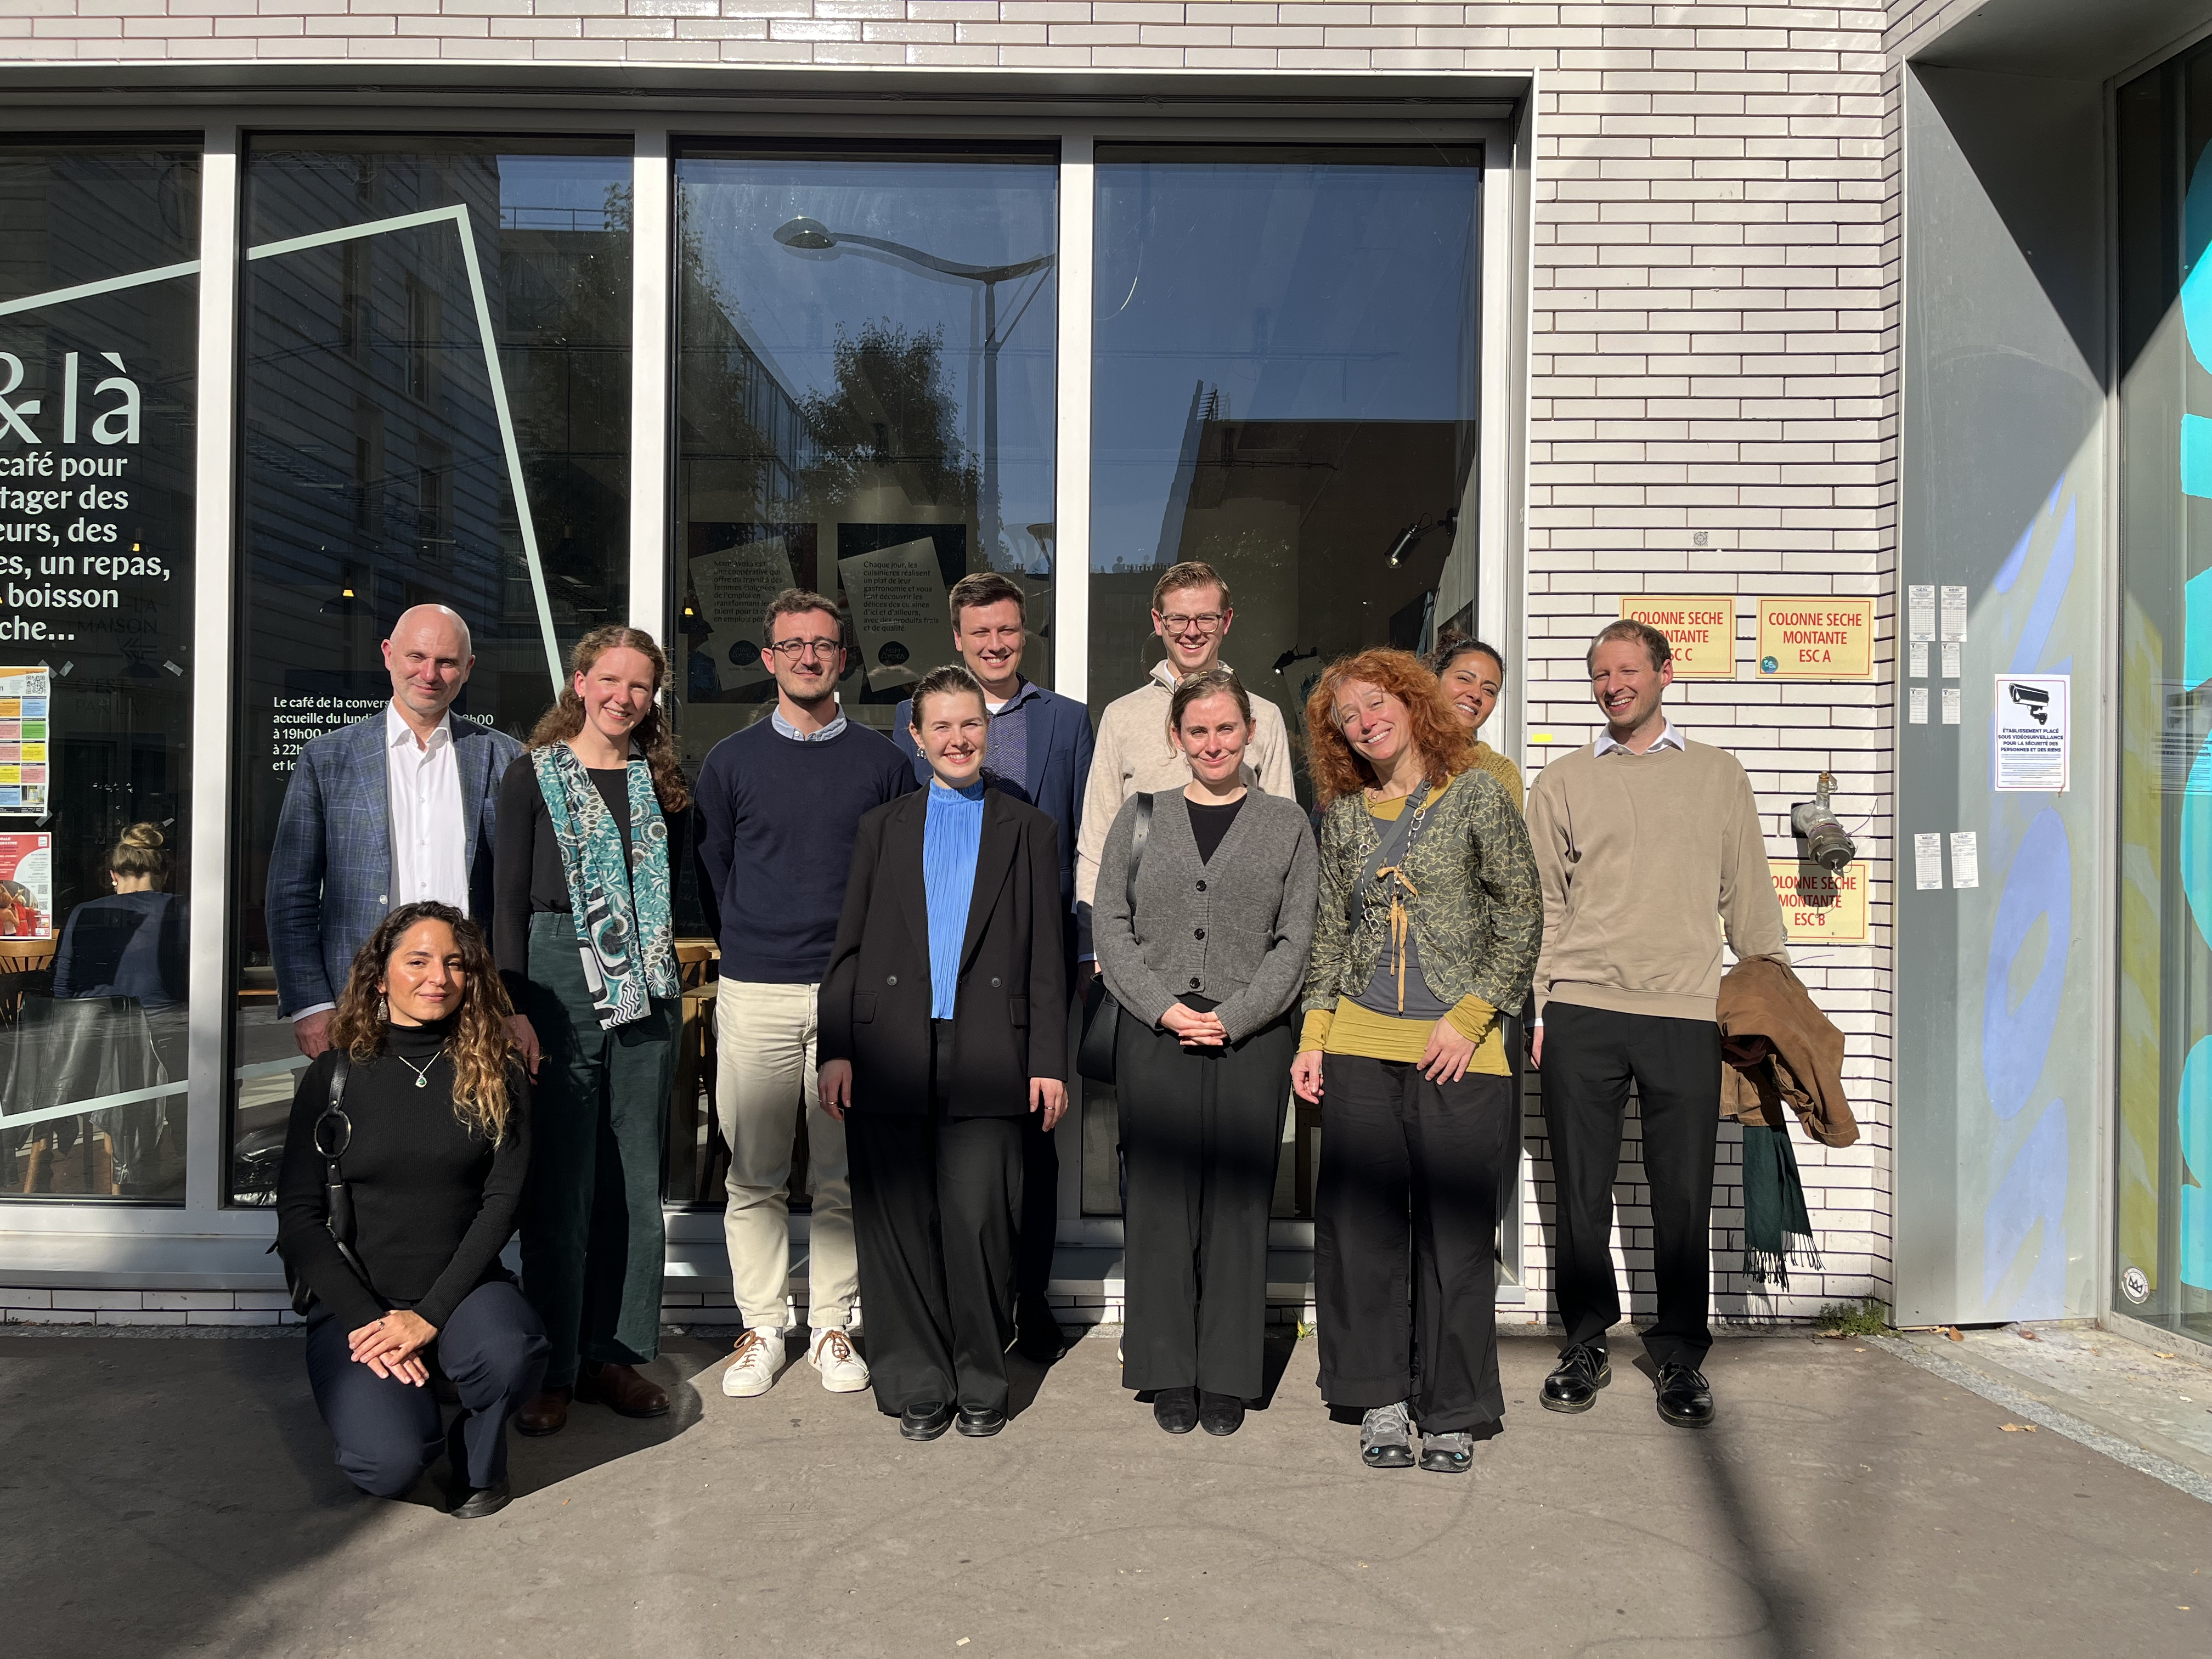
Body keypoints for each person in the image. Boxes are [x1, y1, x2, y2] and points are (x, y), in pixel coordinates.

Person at [1526, 618, 1789, 1430]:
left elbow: (1749, 894)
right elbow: (1544, 903)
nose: (1613, 686)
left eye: (1628, 670)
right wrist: (1541, 1002)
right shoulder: (1563, 781)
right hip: (1582, 1008)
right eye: (1601, 674)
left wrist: (1770, 992)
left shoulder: (1717, 775)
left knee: (1683, 1195)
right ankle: (1584, 1340)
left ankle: (1679, 1354)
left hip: (1683, 1012)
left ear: (1665, 674)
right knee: (1581, 1191)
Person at [1290, 648, 1541, 1475]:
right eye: (1347, 718)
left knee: (1456, 1236)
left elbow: (1522, 916)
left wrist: (1469, 1021)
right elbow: (1330, 928)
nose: (1365, 723)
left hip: (1460, 1051)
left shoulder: (1477, 792)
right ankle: (1381, 1399)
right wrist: (1314, 1034)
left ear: (1411, 699)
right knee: (1362, 1233)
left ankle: (1454, 1407)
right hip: (1362, 1044)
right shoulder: (1348, 812)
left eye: (1375, 704)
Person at [817, 663, 1070, 1442]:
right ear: (917, 738)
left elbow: (1047, 958)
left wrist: (1049, 1059)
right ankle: (916, 1380)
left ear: (986, 734)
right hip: (889, 1044)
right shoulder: (882, 827)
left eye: (971, 725)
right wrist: (837, 1048)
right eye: (942, 727)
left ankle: (980, 1376)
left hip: (992, 1047)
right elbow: (850, 946)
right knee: (898, 1225)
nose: (959, 738)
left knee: (981, 1222)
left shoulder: (1026, 828)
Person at [696, 589, 917, 1401]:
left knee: (839, 1173)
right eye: (792, 645)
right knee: (752, 1172)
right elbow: (715, 872)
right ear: (768, 658)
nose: (809, 657)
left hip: (846, 994)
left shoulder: (883, 763)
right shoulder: (731, 762)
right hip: (753, 988)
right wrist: (752, 941)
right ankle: (762, 1326)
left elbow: (895, 880)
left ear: (844, 657)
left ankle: (831, 1325)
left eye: (823, 644)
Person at [1092, 667, 1317, 1437]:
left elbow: (1298, 938)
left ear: (1249, 732)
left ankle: (1226, 1373)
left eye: (1227, 728)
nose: (1214, 743)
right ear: (1176, 738)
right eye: (1199, 731)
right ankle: (1165, 1370)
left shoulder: (1287, 822)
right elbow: (1111, 927)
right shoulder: (1141, 815)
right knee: (1157, 1204)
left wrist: (1240, 1015)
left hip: (1250, 1042)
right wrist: (1164, 1008)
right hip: (1153, 1036)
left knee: (1237, 1206)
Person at [275, 901, 545, 1519]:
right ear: (380, 976)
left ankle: (476, 1454)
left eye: (455, 964)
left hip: (462, 1294)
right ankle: (408, 1412)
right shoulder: (333, 1075)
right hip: (359, 1307)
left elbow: (505, 1204)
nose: (439, 978)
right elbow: (298, 1217)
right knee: (387, 1464)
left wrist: (428, 1317)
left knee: (513, 1351)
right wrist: (374, 1322)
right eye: (418, 961)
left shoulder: (496, 1072)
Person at [894, 570, 1094, 1361]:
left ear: (1024, 633)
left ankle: (1029, 1295)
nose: (996, 644)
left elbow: (1082, 836)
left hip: (1033, 961)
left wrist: (1077, 948)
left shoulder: (1067, 723)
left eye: (1008, 631)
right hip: (948, 965)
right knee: (952, 1144)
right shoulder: (925, 725)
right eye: (981, 634)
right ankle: (952, 1299)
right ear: (959, 639)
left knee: (1034, 1136)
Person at [496, 627, 689, 1436]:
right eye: (610, 680)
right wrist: (509, 1006)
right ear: (580, 683)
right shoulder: (531, 776)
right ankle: (554, 1362)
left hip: (647, 981)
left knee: (632, 1177)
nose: (625, 698)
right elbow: (503, 897)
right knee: (562, 1177)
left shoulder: (665, 784)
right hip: (553, 976)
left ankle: (617, 1353)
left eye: (641, 686)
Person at [266, 604, 527, 1064]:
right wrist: (310, 1004)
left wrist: (515, 1004)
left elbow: (520, 900)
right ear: (388, 655)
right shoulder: (328, 759)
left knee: (473, 1129)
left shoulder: (505, 759)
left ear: (467, 670)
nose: (430, 673)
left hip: (473, 1000)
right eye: (416, 657)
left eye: (446, 662)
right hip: (360, 1002)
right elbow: (291, 893)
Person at [1076, 561, 1296, 946]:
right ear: (1158, 622)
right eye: (1178, 619)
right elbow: (1098, 841)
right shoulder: (1121, 716)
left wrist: (1280, 946)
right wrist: (1092, 947)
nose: (1192, 632)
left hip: (1239, 938)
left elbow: (1285, 845)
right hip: (1142, 939)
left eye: (1205, 619)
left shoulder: (1264, 717)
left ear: (1226, 621)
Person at [1432, 639, 1523, 810]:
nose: (1476, 694)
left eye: (1489, 690)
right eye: (1464, 679)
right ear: (1434, 680)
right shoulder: (1396, 750)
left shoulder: (1499, 773)